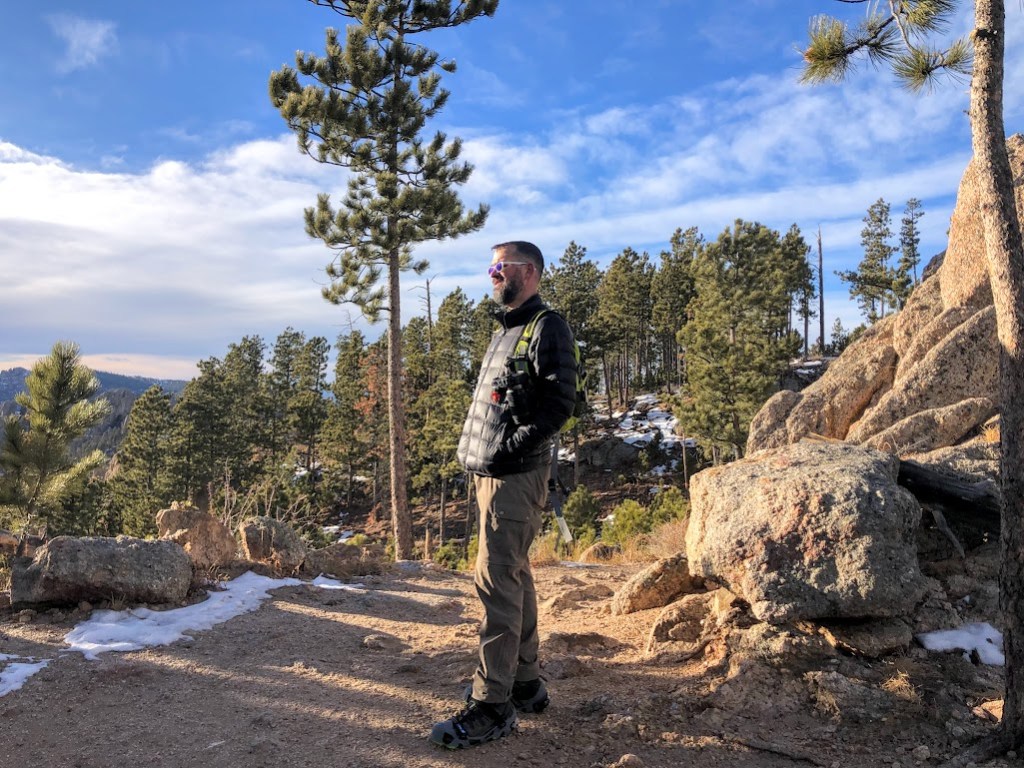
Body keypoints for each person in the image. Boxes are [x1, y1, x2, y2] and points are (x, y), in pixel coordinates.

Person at [430, 241, 578, 749]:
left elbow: (560, 405)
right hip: (494, 474)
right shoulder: (508, 329)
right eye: (490, 267)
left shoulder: (546, 327)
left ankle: (492, 704)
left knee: (496, 581)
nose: (492, 274)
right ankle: (525, 682)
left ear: (530, 273)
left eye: (501, 266)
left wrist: (511, 447)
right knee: (513, 573)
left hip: (514, 474)